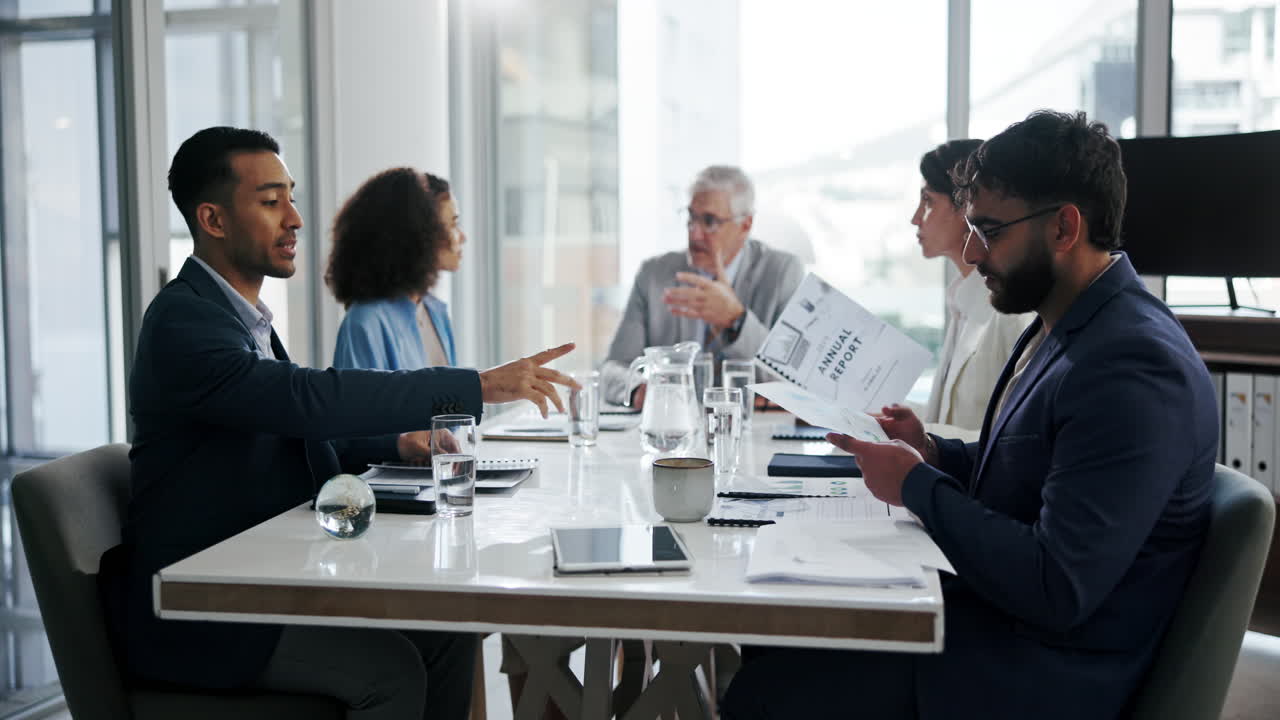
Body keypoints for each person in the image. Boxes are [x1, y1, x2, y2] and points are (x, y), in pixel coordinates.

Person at [722, 110, 1218, 719]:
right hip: (1004, 628)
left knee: (768, 689)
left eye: (990, 229)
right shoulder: (1070, 324)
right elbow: (1042, 468)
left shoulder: (1134, 365)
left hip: (1043, 675)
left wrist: (917, 485)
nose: (973, 250)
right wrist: (933, 452)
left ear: (1065, 226)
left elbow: (1057, 586)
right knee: (772, 640)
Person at [99, 126, 577, 720]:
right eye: (271, 202)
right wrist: (475, 386)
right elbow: (304, 399)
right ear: (213, 220)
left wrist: (397, 442)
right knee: (390, 670)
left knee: (450, 630)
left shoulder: (236, 317)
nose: (295, 218)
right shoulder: (183, 323)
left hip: (266, 579)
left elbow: (284, 423)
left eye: (291, 198)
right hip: (207, 614)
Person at [600, 165, 805, 405]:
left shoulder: (781, 273)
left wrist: (735, 320)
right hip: (673, 428)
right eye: (691, 218)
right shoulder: (654, 275)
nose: (694, 233)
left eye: (709, 221)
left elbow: (792, 380)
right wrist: (639, 391)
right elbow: (612, 370)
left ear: (745, 225)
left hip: (749, 433)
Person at [324, 167, 467, 472]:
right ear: (420, 235)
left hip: (436, 483)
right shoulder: (364, 323)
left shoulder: (436, 312)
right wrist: (401, 443)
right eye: (453, 224)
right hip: (390, 496)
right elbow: (347, 436)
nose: (461, 237)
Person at [913, 139, 1034, 432]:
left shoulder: (1014, 313)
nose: (916, 218)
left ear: (966, 206)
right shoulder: (962, 299)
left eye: (928, 201)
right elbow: (951, 416)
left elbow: (1013, 436)